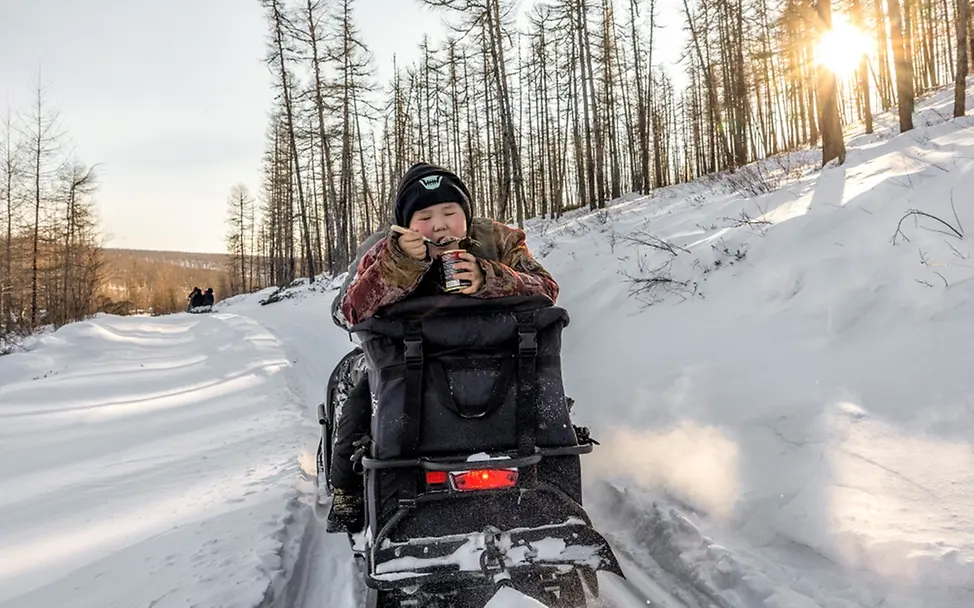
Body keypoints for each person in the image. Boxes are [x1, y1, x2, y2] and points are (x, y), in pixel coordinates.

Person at [326, 162, 559, 533]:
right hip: (411, 367)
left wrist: (490, 277)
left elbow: (546, 288)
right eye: (424, 217)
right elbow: (348, 310)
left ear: (466, 213)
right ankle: (345, 490)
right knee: (360, 398)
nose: (439, 225)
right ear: (406, 223)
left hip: (498, 363)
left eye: (450, 213)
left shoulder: (498, 240)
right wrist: (400, 265)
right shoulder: (383, 250)